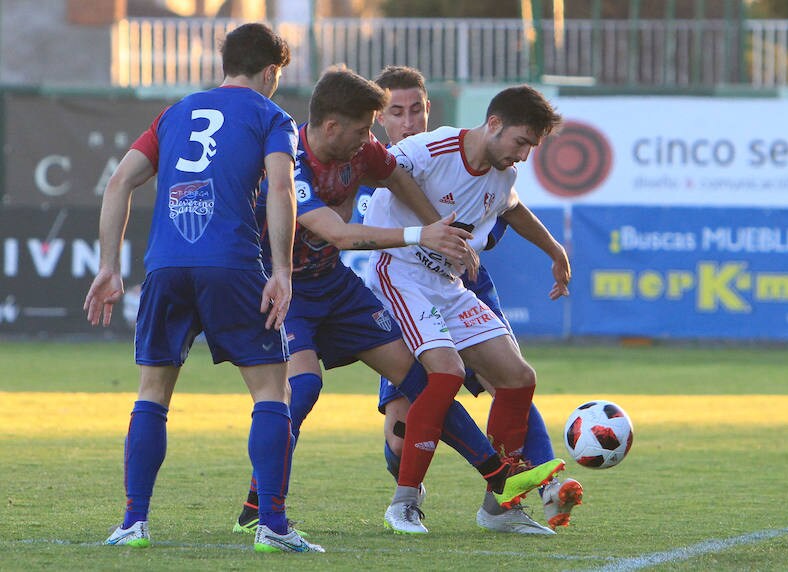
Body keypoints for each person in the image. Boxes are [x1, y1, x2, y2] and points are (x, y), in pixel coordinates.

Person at [230, 66, 563, 536]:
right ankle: (259, 507)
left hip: (340, 286)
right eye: (371, 125)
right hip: (290, 289)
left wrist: (440, 229)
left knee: (441, 379)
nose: (375, 138)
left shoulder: (368, 151)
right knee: (305, 391)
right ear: (331, 127)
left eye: (405, 113)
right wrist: (423, 233)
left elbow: (402, 181)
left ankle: (497, 495)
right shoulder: (291, 158)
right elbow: (339, 234)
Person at [82, 23, 324, 553]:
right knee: (270, 392)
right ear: (269, 71)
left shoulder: (174, 113)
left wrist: (108, 265)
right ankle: (273, 526)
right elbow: (281, 188)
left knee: (152, 394)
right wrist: (281, 272)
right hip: (232, 265)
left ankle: (132, 524)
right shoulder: (272, 116)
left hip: (166, 265)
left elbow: (119, 181)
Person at [361, 66, 583, 533]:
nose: (523, 155)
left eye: (531, 147)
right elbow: (384, 170)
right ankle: (403, 503)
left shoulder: (503, 172)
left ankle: (499, 508)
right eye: (521, 142)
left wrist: (554, 250)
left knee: (519, 377)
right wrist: (435, 228)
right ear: (495, 124)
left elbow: (513, 208)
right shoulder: (430, 148)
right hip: (399, 272)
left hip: (447, 284)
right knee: (446, 374)